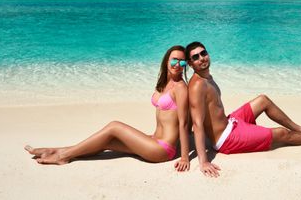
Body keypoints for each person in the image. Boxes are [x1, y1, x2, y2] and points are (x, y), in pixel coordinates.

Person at [186, 41, 301, 177]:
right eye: (196, 57)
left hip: (230, 122)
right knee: (281, 134)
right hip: (227, 139)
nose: (202, 58)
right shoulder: (197, 86)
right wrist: (204, 161)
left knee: (263, 100)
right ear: (190, 63)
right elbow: (197, 123)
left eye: (203, 53)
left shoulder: (206, 77)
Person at [24, 45, 191, 172]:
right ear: (166, 60)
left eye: (182, 61)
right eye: (174, 60)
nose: (177, 64)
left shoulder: (180, 88)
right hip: (153, 139)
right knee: (107, 141)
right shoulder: (165, 83)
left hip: (163, 149)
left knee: (114, 126)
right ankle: (58, 150)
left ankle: (62, 156)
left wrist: (185, 157)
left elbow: (184, 124)